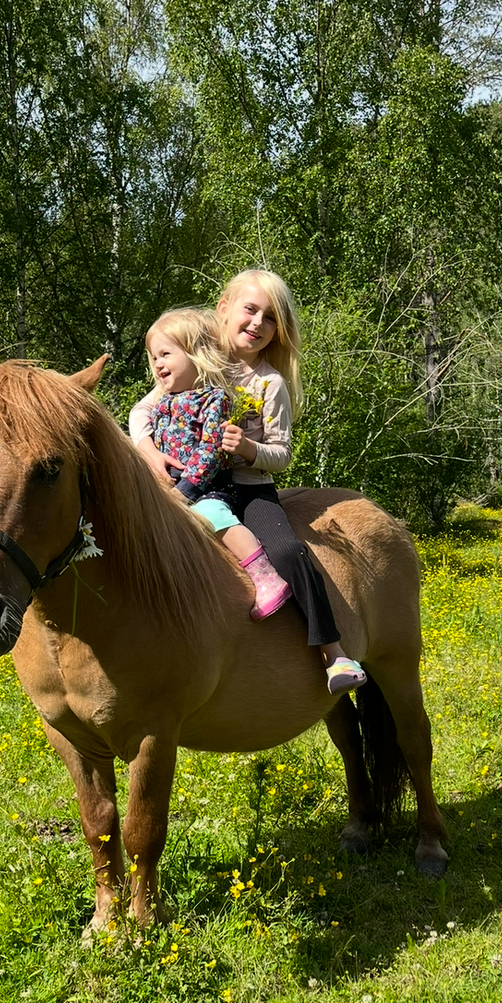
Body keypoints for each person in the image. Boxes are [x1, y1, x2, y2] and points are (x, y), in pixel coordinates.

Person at [213, 269, 367, 695]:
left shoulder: (270, 383)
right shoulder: (200, 364)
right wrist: (149, 450)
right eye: (250, 309)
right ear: (224, 308)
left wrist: (247, 448)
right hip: (196, 487)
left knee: (287, 550)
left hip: (248, 489)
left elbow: (281, 456)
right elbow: (149, 407)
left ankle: (334, 653)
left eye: (270, 318)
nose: (258, 323)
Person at [137, 307, 291, 619]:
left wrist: (186, 489)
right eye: (154, 358)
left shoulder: (214, 399)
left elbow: (212, 451)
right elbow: (147, 430)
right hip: (170, 491)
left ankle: (265, 575)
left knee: (212, 515)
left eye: (165, 354)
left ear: (195, 354)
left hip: (207, 490)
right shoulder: (163, 402)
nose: (158, 364)